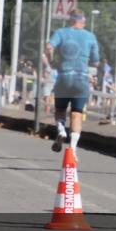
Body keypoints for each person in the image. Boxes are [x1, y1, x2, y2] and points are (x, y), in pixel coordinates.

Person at [45, 9, 100, 153]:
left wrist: (52, 61)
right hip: (81, 79)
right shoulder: (90, 36)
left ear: (71, 20)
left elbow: (49, 47)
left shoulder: (61, 32)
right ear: (83, 21)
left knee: (60, 110)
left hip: (64, 77)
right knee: (77, 114)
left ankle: (61, 130)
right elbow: (96, 62)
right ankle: (72, 149)